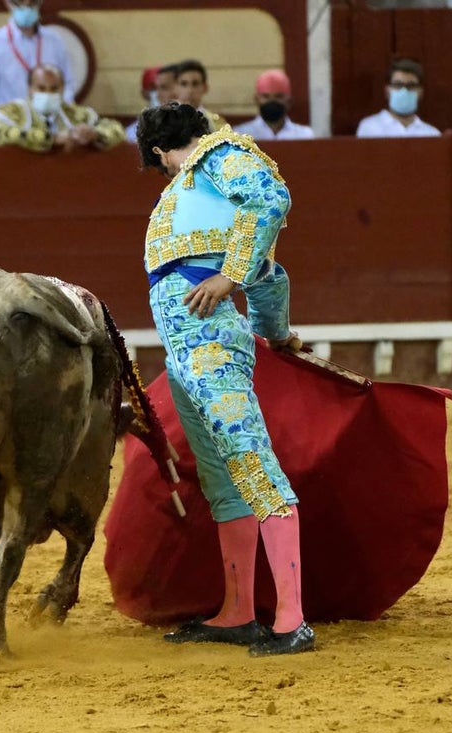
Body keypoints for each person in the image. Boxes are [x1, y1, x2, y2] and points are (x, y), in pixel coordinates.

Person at [134, 103, 315, 657]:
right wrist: (276, 335)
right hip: (187, 353)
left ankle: (291, 620)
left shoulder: (220, 153)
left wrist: (226, 273)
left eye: (160, 163)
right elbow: (268, 277)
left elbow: (271, 199)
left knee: (253, 464)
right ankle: (238, 612)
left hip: (211, 346)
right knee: (224, 479)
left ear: (161, 152)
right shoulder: (196, 197)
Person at [0, 0, 75, 122]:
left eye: (31, 3)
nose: (26, 8)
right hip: (8, 126)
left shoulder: (55, 41)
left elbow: (68, 85)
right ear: (8, 3)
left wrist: (63, 114)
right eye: (20, 3)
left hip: (51, 123)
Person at [0, 64, 123, 152]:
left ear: (62, 89)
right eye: (41, 88)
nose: (48, 93)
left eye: (54, 88)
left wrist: (94, 134)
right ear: (30, 89)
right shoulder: (11, 112)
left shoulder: (76, 114)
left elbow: (117, 130)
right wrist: (52, 139)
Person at [356, 57, 440, 138]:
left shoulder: (432, 134)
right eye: (398, 85)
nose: (404, 91)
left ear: (420, 92)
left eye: (411, 85)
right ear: (387, 90)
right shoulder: (370, 128)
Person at [233, 69, 315, 140]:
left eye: (278, 96)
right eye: (266, 96)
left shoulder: (305, 136)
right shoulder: (240, 135)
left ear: (289, 101)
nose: (272, 101)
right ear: (256, 100)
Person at [125, 64, 179, 143]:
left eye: (164, 87)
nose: (158, 93)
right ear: (144, 93)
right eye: (153, 88)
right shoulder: (132, 134)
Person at [173, 59, 229, 132]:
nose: (190, 90)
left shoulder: (217, 124)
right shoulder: (163, 120)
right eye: (184, 84)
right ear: (175, 87)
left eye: (195, 84)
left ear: (205, 87)